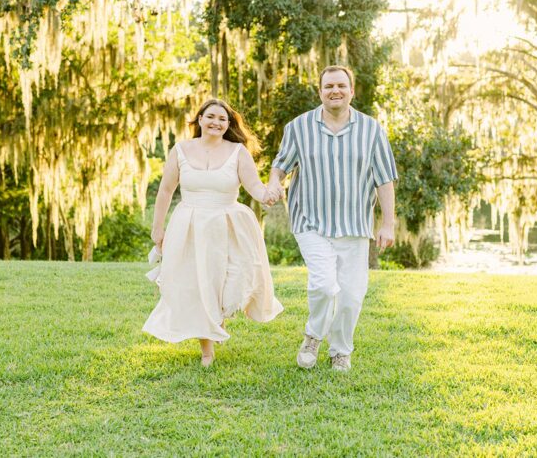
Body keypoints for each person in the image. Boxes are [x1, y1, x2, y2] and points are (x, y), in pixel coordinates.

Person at [267, 65, 397, 372]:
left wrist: (388, 222)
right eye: (328, 86)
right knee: (324, 285)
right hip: (311, 222)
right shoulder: (299, 127)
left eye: (341, 85)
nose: (334, 91)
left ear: (352, 91)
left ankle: (340, 351)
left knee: (351, 296)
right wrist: (275, 183)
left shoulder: (372, 130)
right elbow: (280, 165)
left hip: (354, 226)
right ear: (320, 92)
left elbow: (385, 180)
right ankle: (313, 336)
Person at [143, 98, 284, 367]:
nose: (215, 122)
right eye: (210, 117)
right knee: (198, 286)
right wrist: (158, 228)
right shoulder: (181, 150)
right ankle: (207, 349)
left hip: (229, 225)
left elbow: (255, 187)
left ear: (229, 124)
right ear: (199, 119)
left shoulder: (238, 151)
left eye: (222, 119)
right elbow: (165, 191)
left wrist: (270, 193)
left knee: (234, 282)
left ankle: (218, 319)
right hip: (190, 226)